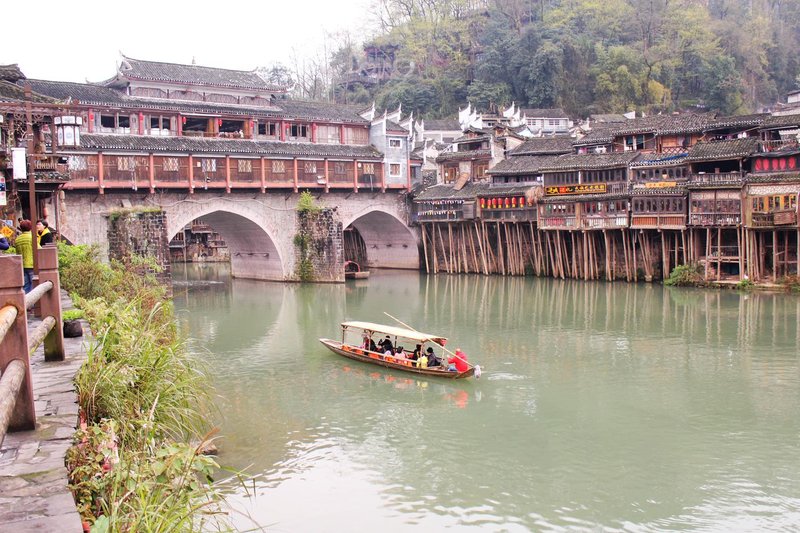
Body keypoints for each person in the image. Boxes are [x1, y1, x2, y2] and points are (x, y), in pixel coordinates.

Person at [15, 220, 34, 293]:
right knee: (33, 284)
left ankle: (25, 299)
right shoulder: (32, 237)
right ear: (30, 227)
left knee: (26, 285)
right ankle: (33, 300)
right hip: (32, 264)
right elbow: (39, 249)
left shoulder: (18, 239)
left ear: (21, 228)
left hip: (22, 265)